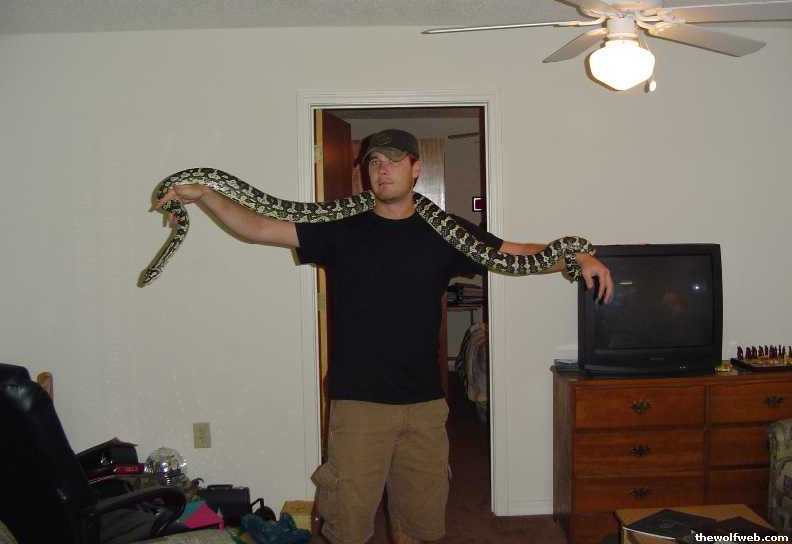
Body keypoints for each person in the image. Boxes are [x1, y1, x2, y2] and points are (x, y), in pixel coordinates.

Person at [154, 129, 614, 544]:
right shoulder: (339, 228)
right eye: (374, 161)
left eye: (394, 161)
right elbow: (256, 227)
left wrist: (578, 255)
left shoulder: (445, 231)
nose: (383, 169)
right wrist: (204, 194)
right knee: (348, 525)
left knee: (419, 522)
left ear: (416, 168)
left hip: (425, 403)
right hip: (359, 402)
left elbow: (515, 254)